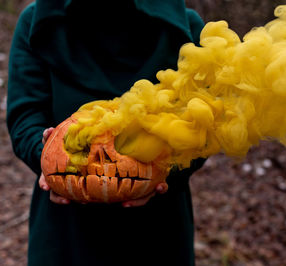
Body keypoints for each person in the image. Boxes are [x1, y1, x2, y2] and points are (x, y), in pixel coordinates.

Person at [7, 1, 206, 265]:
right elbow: (25, 113)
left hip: (157, 229)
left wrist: (168, 170)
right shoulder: (38, 21)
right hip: (65, 228)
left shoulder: (186, 28)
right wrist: (43, 155)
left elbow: (204, 124)